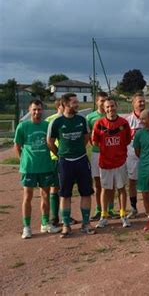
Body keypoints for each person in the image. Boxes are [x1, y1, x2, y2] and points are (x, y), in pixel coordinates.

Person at [47, 93, 95, 238]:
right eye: (74, 102)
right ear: (66, 104)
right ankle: (66, 225)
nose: (77, 104)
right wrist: (61, 154)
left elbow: (86, 138)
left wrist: (78, 151)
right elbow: (50, 141)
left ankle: (85, 224)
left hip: (81, 160)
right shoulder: (56, 122)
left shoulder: (81, 119)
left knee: (86, 192)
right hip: (65, 163)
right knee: (65, 194)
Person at [15, 100, 61, 238]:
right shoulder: (23, 126)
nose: (37, 112)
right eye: (34, 109)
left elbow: (52, 142)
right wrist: (23, 161)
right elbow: (17, 146)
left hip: (45, 166)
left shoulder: (47, 125)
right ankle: (27, 227)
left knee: (45, 195)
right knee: (27, 197)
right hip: (29, 168)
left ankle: (45, 223)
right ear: (29, 110)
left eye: (39, 109)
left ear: (43, 110)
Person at [92, 98, 132, 228]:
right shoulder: (99, 123)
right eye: (107, 107)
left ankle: (123, 215)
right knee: (106, 189)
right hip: (105, 163)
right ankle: (104, 216)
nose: (110, 109)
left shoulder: (124, 123)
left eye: (112, 106)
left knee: (121, 188)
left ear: (116, 106)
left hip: (120, 162)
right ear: (104, 108)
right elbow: (95, 142)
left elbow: (127, 140)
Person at [87, 92, 118, 220]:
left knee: (112, 183)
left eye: (106, 100)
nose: (104, 102)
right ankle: (99, 209)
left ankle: (110, 208)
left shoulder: (112, 116)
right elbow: (89, 136)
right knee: (98, 183)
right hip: (97, 153)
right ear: (97, 102)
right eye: (101, 100)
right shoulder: (90, 117)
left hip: (111, 154)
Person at [125, 92, 146, 219]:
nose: (142, 103)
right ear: (133, 103)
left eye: (144, 101)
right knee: (132, 181)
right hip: (132, 155)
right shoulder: (127, 121)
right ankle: (133, 208)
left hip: (148, 156)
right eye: (140, 101)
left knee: (148, 183)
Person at [44, 98, 63, 226]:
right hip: (55, 158)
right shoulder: (50, 120)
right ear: (60, 105)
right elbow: (48, 140)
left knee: (65, 188)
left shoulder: (71, 118)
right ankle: (54, 218)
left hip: (67, 158)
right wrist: (58, 154)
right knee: (54, 187)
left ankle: (65, 216)